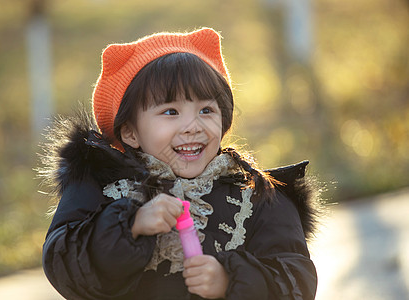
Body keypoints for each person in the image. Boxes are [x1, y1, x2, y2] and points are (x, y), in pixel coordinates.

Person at [39, 27, 319, 300]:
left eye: (206, 110)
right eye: (170, 111)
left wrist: (230, 280)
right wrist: (130, 223)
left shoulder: (258, 197)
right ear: (130, 132)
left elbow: (297, 280)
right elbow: (63, 265)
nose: (192, 126)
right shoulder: (100, 189)